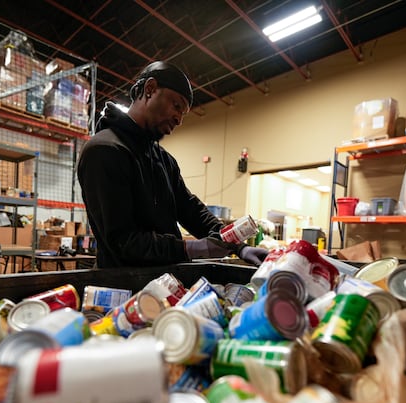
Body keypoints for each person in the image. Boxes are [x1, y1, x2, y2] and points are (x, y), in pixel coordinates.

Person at [77, 61, 269, 268]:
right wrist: (192, 249)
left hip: (163, 282)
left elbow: (191, 210)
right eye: (176, 106)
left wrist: (238, 246)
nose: (178, 119)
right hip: (122, 286)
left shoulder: (163, 159)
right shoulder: (106, 150)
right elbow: (124, 241)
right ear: (149, 90)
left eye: (183, 114)